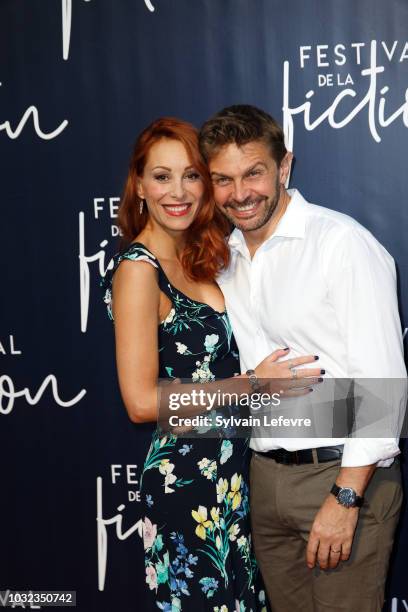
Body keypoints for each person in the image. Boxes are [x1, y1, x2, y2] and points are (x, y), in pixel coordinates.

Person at [100, 117, 321, 611]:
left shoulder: (203, 256)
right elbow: (139, 403)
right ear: (139, 184)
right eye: (161, 176)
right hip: (186, 486)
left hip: (236, 479)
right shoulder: (139, 271)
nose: (177, 191)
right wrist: (251, 385)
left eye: (192, 175)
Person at [199, 104, 407, 612]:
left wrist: (345, 498)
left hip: (340, 477)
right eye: (223, 179)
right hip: (265, 479)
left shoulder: (341, 245)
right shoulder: (225, 259)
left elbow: (383, 387)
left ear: (284, 167)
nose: (240, 193)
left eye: (254, 173)